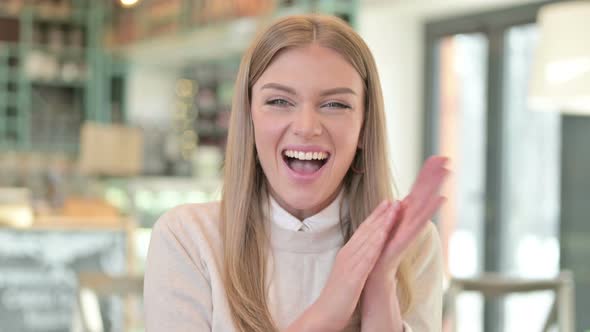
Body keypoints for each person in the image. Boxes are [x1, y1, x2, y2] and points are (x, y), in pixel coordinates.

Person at [144, 14, 448, 332]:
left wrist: (379, 285)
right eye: (278, 101)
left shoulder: (414, 245)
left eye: (335, 105)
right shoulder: (187, 238)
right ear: (249, 119)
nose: (306, 127)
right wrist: (329, 309)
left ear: (364, 127)